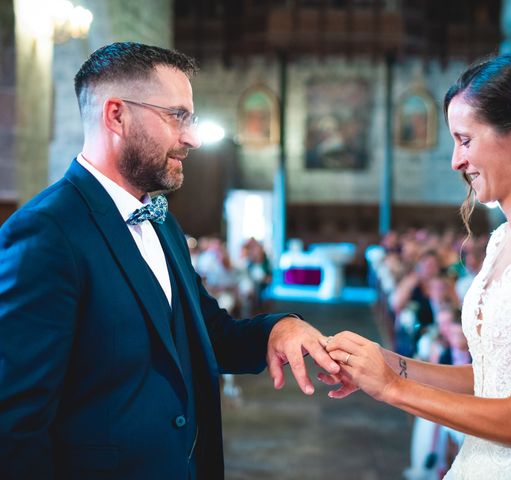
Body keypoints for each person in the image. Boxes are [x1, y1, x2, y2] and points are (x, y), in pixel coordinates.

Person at [0, 42, 339, 480]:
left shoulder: (163, 224)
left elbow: (206, 333)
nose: (192, 137)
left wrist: (277, 328)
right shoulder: (46, 232)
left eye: (190, 118)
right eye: (176, 116)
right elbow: (15, 422)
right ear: (116, 115)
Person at [319, 52, 511, 479]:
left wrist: (393, 388)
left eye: (465, 140)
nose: (456, 161)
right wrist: (387, 362)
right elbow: (491, 379)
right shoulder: (504, 239)